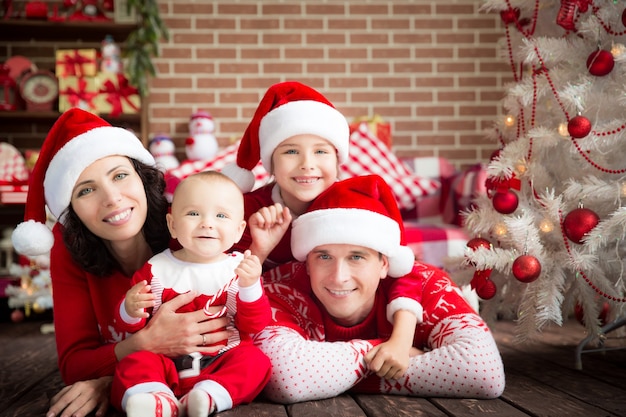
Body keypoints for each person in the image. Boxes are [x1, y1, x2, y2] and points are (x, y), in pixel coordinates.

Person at [11, 108, 231, 417]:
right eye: (86, 190)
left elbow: (228, 332)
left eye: (120, 175)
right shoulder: (68, 245)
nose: (112, 198)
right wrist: (148, 342)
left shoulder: (188, 225)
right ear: (71, 209)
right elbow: (74, 365)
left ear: (142, 179)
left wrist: (109, 379)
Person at [253, 174, 506, 403]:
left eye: (356, 257)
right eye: (324, 257)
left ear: (384, 264)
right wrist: (395, 348)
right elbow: (286, 380)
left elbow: (485, 374)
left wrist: (327, 375)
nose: (339, 277)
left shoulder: (427, 283)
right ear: (306, 263)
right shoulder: (282, 289)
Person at [111, 171, 271, 417]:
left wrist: (250, 286)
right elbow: (128, 326)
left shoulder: (239, 269)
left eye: (221, 215)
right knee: (134, 362)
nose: (207, 223)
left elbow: (255, 324)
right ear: (172, 225)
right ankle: (155, 399)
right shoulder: (156, 269)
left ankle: (208, 396)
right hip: (164, 363)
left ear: (239, 231)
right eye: (193, 213)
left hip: (221, 360)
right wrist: (129, 309)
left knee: (255, 360)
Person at [223, 81, 350, 270]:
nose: (307, 164)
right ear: (271, 163)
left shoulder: (355, 208)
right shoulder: (246, 211)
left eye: (321, 152)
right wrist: (259, 249)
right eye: (291, 152)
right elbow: (220, 280)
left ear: (337, 160)